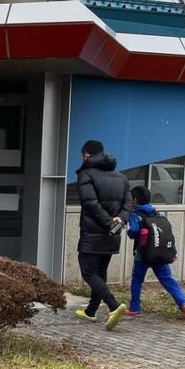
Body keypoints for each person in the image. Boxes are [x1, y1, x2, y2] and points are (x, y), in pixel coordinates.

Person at [75, 139, 132, 329]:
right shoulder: (122, 178)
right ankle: (91, 311)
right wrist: (120, 221)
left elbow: (90, 203)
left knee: (88, 272)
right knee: (99, 272)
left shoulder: (85, 174)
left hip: (93, 233)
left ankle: (113, 305)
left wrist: (108, 222)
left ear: (86, 155)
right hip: (112, 234)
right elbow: (128, 204)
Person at [126, 186, 185, 319]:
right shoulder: (158, 214)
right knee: (168, 279)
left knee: (137, 280)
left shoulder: (135, 215)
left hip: (143, 255)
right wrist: (173, 252)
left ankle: (134, 308)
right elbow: (167, 234)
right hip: (161, 254)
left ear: (135, 200)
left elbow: (132, 232)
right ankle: (184, 303)